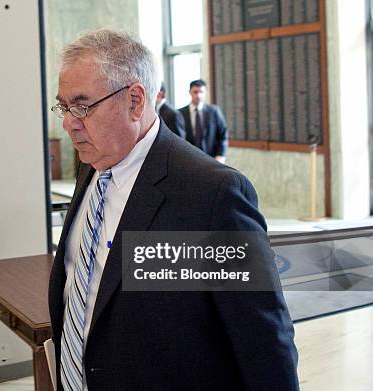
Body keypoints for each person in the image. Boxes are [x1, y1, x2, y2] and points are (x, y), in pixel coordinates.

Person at [48, 29, 298, 391]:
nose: (69, 122)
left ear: (135, 101)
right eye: (64, 106)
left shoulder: (213, 194)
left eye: (83, 106)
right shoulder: (93, 164)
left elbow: (264, 341)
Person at [178, 79, 228, 163]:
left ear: (205, 93)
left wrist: (221, 156)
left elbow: (223, 134)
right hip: (188, 160)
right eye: (195, 92)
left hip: (212, 159)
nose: (198, 95)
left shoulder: (214, 111)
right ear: (190, 92)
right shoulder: (180, 114)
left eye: (201, 92)